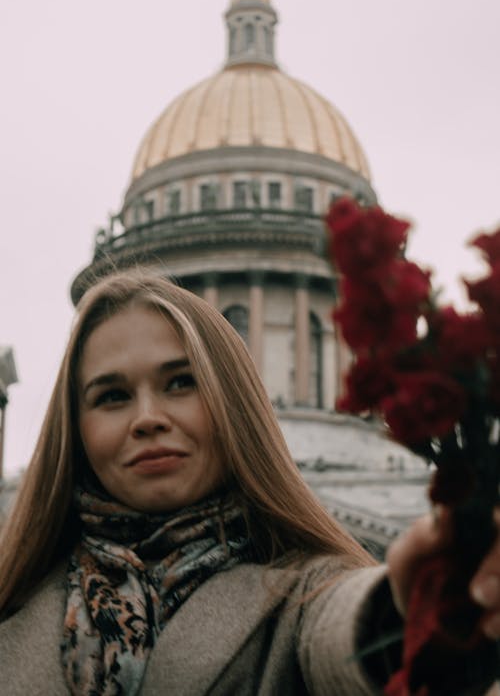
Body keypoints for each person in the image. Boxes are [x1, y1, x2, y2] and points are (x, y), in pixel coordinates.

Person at [1, 270, 499, 695]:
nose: (147, 418)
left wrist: (407, 609)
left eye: (181, 382)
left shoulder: (300, 599)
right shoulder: (14, 611)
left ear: (233, 401)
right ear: (76, 427)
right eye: (111, 395)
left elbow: (346, 635)